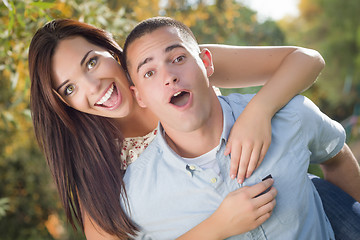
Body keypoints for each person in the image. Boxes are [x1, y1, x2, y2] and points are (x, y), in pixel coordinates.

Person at [28, 19, 357, 239]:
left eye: (91, 62)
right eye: (69, 88)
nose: (92, 86)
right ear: (62, 104)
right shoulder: (100, 170)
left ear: (114, 52)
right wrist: (216, 227)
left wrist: (259, 111)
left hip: (297, 203)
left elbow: (306, 59)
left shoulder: (171, 61)